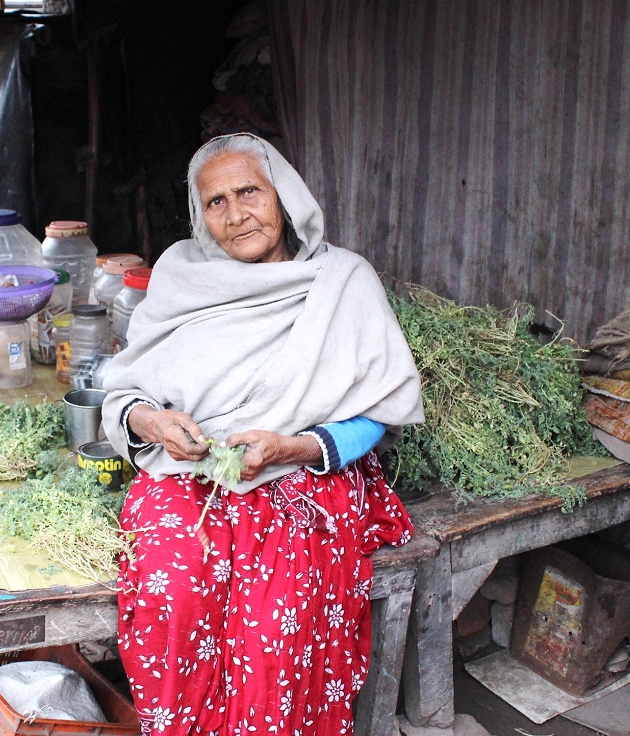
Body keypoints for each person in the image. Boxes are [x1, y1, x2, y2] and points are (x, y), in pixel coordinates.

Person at [102, 133, 424, 734]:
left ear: (283, 195)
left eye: (248, 191)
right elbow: (126, 394)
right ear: (201, 216)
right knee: (171, 592)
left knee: (274, 629)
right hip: (189, 476)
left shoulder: (342, 280)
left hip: (304, 479)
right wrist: (154, 423)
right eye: (215, 202)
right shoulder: (179, 276)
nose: (236, 213)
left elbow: (380, 414)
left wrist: (292, 447)